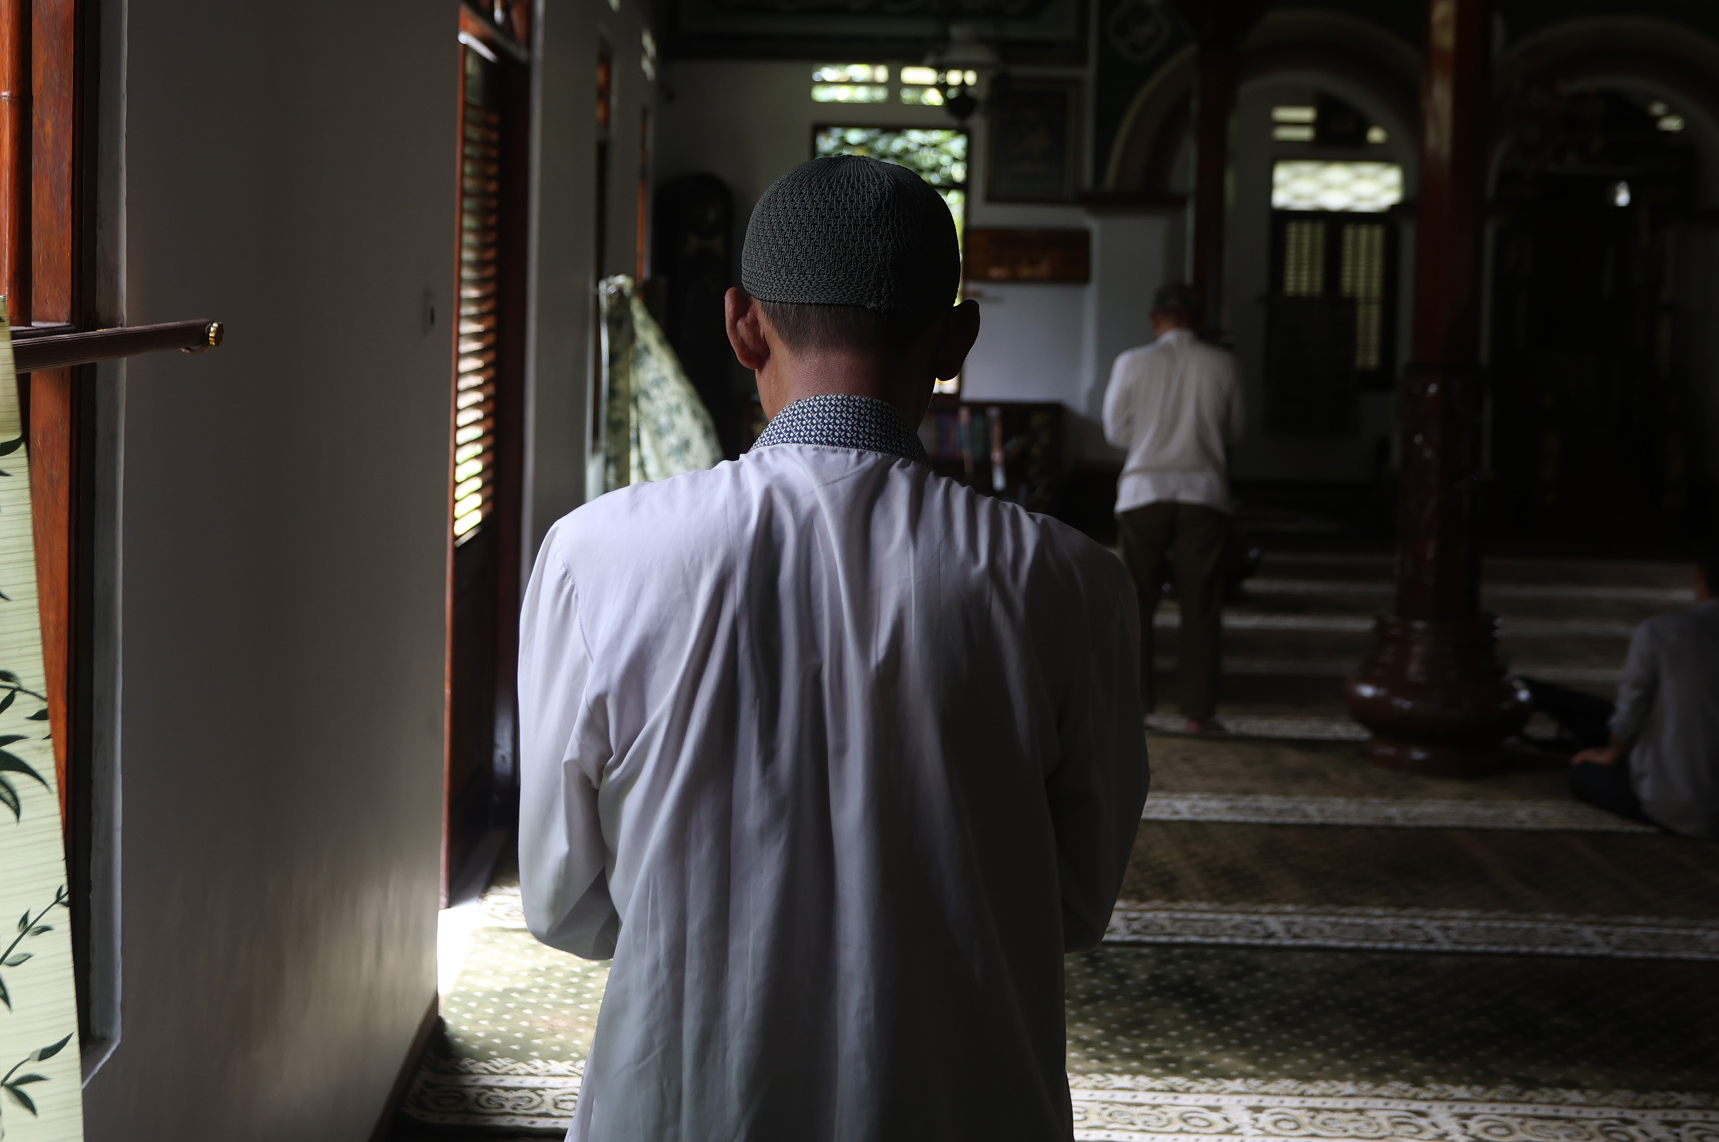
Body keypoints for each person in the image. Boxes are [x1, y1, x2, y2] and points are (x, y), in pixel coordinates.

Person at [519, 155, 1148, 1142]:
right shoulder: (1070, 584)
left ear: (740, 323)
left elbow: (563, 901)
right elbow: (1071, 900)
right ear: (956, 339)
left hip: (683, 1101)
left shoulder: (597, 555)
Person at [1526, 544, 1719, 842]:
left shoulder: (1660, 632)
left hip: (1678, 807)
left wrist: (1611, 754)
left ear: (1699, 575)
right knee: (1606, 715)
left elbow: (1631, 713)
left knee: (1583, 774)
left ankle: (1525, 695)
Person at [1100, 283, 1245, 733]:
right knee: (1200, 604)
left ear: (1155, 320)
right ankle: (1198, 713)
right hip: (1203, 493)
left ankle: (1137, 709)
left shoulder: (1132, 362)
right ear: (1199, 321)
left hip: (1144, 491)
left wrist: (1152, 439)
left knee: (1136, 601)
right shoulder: (1223, 364)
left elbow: (1116, 432)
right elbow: (1234, 431)